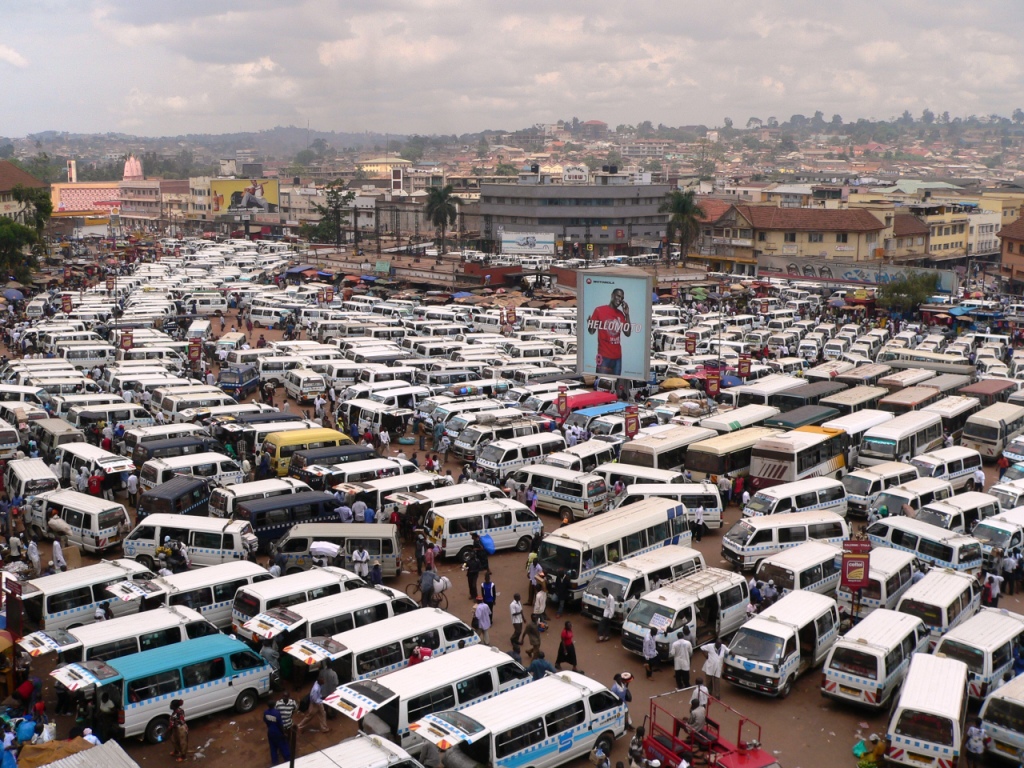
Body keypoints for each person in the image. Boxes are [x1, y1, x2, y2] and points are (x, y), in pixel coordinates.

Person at [587, 287, 633, 376]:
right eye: (618, 296)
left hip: (617, 358)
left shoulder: (621, 314)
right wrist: (590, 324)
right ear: (612, 296)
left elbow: (628, 333)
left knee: (615, 385)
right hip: (604, 356)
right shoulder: (599, 310)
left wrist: (627, 314)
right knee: (602, 384)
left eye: (622, 298)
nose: (620, 300)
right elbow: (591, 331)